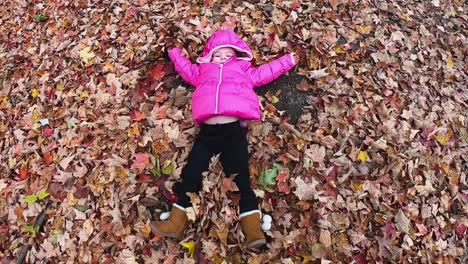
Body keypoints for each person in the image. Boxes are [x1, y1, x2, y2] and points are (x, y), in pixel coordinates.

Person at [151, 29, 298, 249]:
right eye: (217, 55)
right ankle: (175, 222)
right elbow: (184, 68)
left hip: (232, 132)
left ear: (236, 55)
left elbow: (267, 71)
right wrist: (173, 51)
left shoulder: (242, 70)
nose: (221, 59)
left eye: (227, 55)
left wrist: (289, 60)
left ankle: (252, 229)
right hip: (206, 135)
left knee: (240, 177)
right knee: (191, 174)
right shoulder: (202, 71)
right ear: (209, 56)